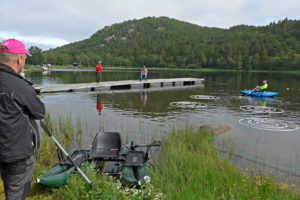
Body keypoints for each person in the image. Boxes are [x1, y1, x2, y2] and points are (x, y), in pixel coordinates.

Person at [0, 39, 45, 200]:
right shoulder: (19, 86)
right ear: (19, 59)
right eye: (25, 58)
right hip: (17, 153)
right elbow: (40, 113)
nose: (24, 62)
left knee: (9, 185)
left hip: (3, 150)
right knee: (16, 193)